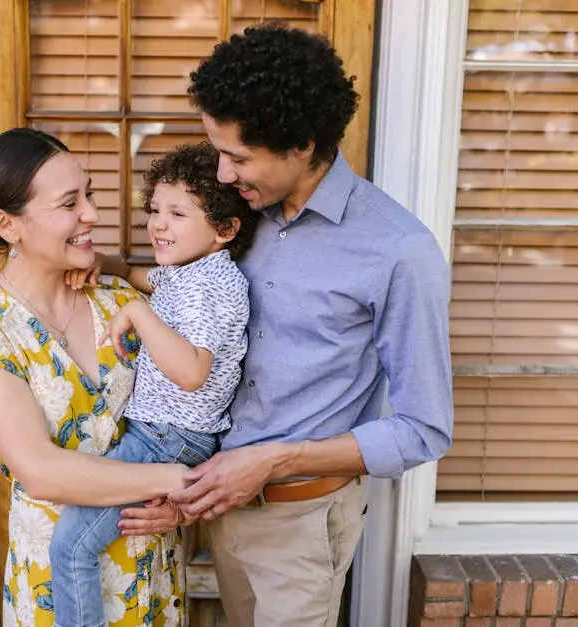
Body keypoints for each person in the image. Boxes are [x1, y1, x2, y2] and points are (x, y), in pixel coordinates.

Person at [153, 23, 455, 626]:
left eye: (238, 157)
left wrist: (272, 463)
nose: (220, 175)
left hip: (301, 525)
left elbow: (424, 430)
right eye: (217, 151)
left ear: (301, 145)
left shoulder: (398, 251)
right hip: (211, 505)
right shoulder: (237, 217)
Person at [0, 127, 188, 627]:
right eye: (70, 203)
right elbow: (41, 470)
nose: (92, 214)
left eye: (89, 194)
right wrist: (185, 483)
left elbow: (193, 400)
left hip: (153, 572)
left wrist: (183, 509)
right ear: (7, 224)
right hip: (60, 587)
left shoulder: (121, 300)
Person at [49, 141, 258, 627]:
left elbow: (192, 372)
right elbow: (147, 278)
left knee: (71, 545)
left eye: (178, 213)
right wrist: (113, 267)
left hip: (168, 436)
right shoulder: (190, 273)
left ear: (225, 230)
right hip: (166, 435)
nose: (159, 224)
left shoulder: (211, 286)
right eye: (156, 210)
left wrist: (138, 313)